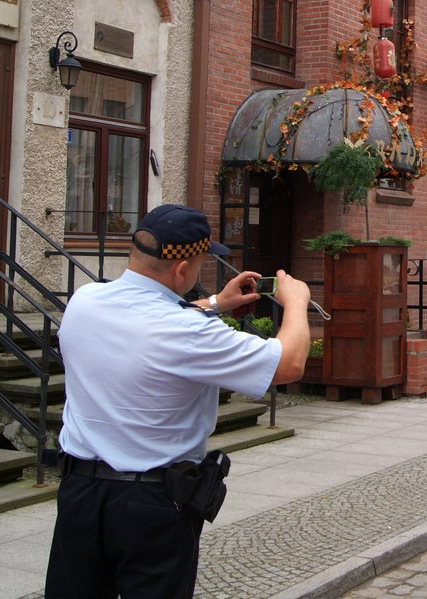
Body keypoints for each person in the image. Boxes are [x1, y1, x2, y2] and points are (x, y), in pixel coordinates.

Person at [45, 204, 311, 598]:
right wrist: (297, 303)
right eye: (202, 262)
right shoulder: (187, 332)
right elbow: (288, 364)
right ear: (182, 269)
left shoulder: (86, 301)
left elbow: (150, 320)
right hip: (152, 504)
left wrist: (217, 303)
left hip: (79, 493)